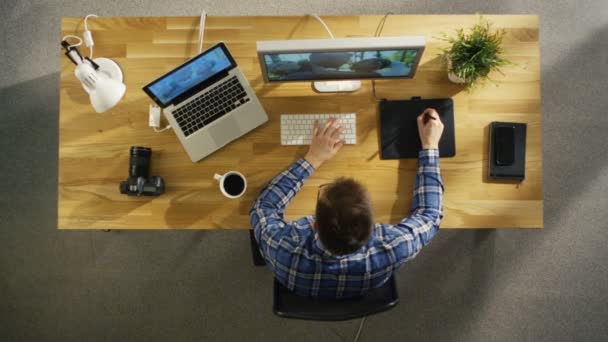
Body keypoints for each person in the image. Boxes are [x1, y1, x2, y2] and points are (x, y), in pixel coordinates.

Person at [250, 109, 445, 298]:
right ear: (373, 227)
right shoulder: (394, 249)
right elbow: (430, 214)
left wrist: (313, 159)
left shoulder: (282, 251)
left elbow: (263, 207)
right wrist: (430, 146)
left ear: (315, 224)